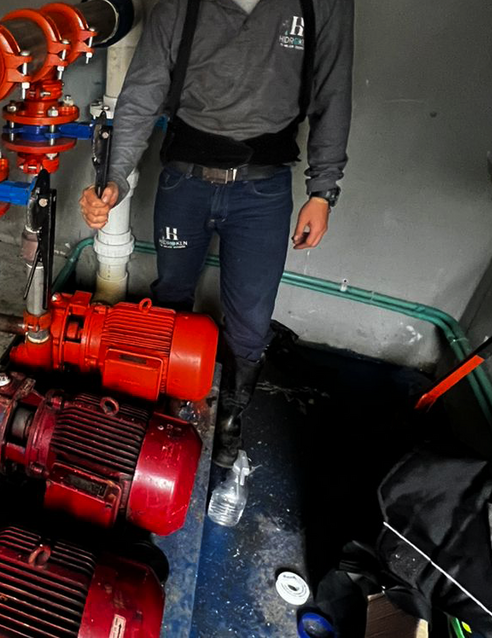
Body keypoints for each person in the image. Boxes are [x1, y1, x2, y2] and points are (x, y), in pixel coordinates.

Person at [79, 0, 354, 467]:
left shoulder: (321, 5)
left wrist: (323, 191)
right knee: (171, 298)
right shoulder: (179, 4)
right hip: (185, 183)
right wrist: (115, 178)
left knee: (251, 321)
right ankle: (169, 404)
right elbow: (143, 92)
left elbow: (334, 90)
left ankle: (229, 419)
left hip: (262, 192)